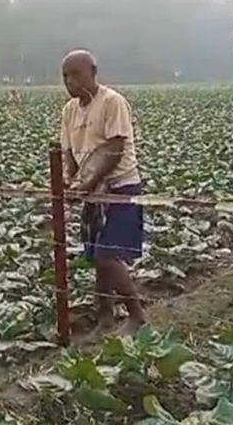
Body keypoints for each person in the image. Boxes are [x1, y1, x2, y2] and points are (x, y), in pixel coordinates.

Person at [59, 49, 146, 337]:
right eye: (65, 76)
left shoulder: (112, 102)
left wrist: (86, 184)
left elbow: (114, 149)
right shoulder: (69, 111)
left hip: (120, 188)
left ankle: (136, 315)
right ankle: (105, 317)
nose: (70, 82)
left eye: (76, 75)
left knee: (109, 256)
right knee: (97, 256)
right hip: (92, 191)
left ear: (93, 73)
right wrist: (70, 179)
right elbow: (69, 153)